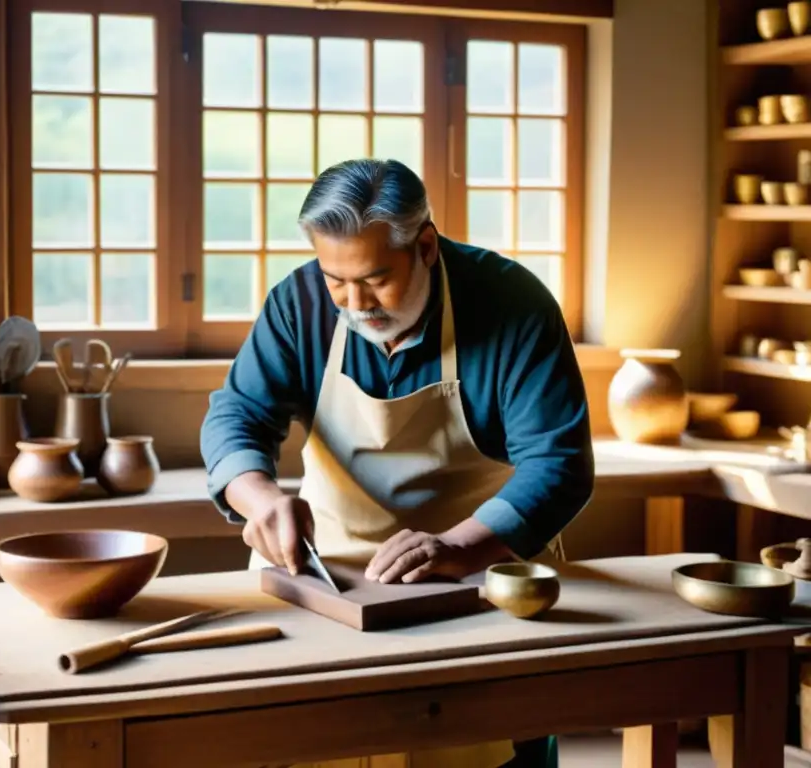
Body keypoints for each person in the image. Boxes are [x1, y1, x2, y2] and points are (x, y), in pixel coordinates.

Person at [200, 158, 594, 768]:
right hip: (328, 569)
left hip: (475, 572)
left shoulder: (511, 304)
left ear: (427, 246)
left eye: (377, 279)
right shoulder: (299, 303)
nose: (356, 305)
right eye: (337, 280)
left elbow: (560, 463)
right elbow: (237, 415)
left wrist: (460, 548)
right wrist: (260, 499)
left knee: (482, 743)